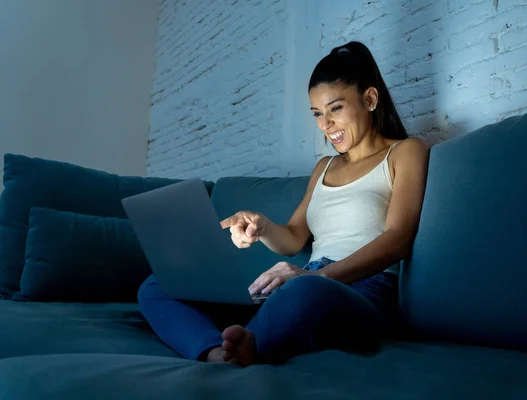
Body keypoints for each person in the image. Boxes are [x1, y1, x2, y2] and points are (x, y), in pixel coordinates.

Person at [137, 41, 429, 367]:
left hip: (362, 291)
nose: (325, 124)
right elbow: (292, 238)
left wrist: (315, 278)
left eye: (335, 109)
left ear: (370, 99)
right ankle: (218, 352)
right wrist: (261, 226)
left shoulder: (405, 152)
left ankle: (250, 348)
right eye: (317, 113)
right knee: (160, 283)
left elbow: (398, 238)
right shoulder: (325, 168)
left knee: (303, 293)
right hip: (306, 282)